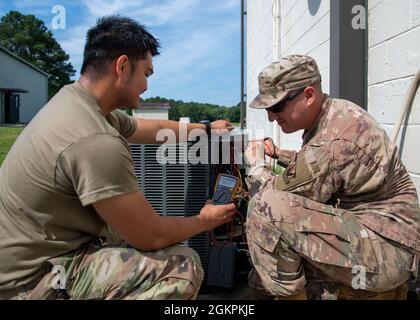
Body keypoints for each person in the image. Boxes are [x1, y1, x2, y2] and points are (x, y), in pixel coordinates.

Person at [0, 16, 236, 300]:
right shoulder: (94, 139)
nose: (147, 86)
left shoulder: (75, 103)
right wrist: (204, 220)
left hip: (30, 258)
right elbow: (151, 236)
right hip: (30, 283)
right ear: (122, 67)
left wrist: (206, 128)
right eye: (147, 74)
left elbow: (151, 128)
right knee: (181, 265)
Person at [244, 54, 420, 300]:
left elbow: (271, 197)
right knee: (263, 274)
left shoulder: (333, 141)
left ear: (308, 95)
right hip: (381, 238)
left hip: (388, 252)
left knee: (264, 212)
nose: (271, 117)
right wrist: (280, 154)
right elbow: (316, 166)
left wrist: (256, 165)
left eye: (276, 106)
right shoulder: (334, 114)